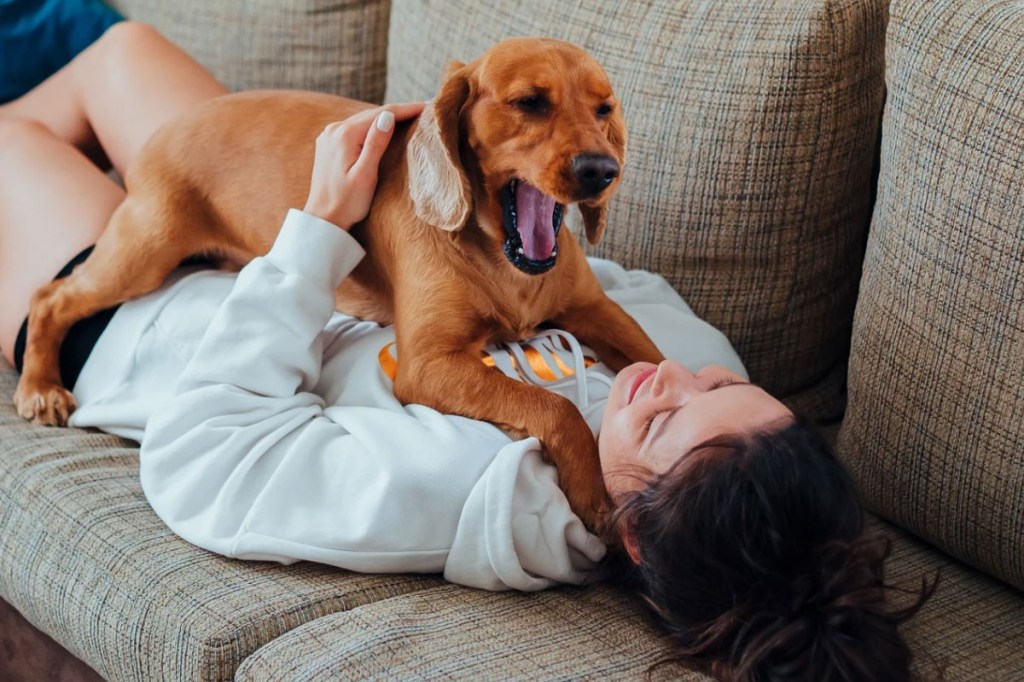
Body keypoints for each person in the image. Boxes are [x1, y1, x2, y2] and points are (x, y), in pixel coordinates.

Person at [0, 22, 932, 681]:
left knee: (17, 133)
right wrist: (443, 196)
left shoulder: (460, 496)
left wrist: (317, 230)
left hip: (152, 331)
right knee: (119, 54)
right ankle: (108, 172)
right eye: (726, 382)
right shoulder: (686, 380)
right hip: (317, 213)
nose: (679, 375)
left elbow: (201, 456)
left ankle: (47, 303)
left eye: (674, 412)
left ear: (631, 527)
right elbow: (612, 302)